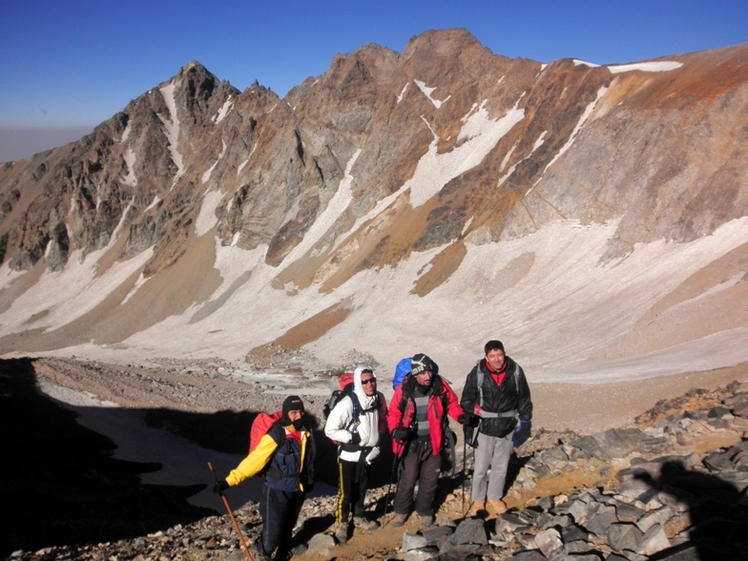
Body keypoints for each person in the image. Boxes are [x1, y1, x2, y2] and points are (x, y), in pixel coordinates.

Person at [214, 395, 315, 561]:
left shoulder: (305, 432)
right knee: (272, 532)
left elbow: (308, 459)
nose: (298, 416)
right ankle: (264, 553)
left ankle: (283, 552)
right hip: (276, 490)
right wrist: (229, 481)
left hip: (297, 489)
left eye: (300, 412)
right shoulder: (276, 435)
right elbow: (255, 461)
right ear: (285, 413)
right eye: (293, 412)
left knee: (288, 524)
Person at [388, 353, 470, 528]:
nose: (428, 376)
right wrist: (395, 431)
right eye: (423, 373)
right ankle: (401, 512)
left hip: (434, 442)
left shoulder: (440, 386)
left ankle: (425, 511)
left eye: (429, 372)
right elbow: (394, 413)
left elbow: (452, 404)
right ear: (415, 374)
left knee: (430, 480)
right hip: (410, 443)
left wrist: (461, 416)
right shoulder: (404, 390)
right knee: (408, 478)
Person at [460, 340, 533, 516]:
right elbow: (466, 400)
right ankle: (478, 499)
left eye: (499, 355)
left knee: (501, 466)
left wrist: (525, 423)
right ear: (486, 357)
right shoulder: (477, 373)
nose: (496, 359)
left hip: (507, 426)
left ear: (504, 354)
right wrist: (469, 425)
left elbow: (524, 398)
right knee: (480, 468)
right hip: (483, 426)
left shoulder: (515, 371)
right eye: (492, 356)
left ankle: (494, 496)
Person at [324, 366, 388, 543]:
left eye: (372, 380)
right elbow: (329, 430)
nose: (370, 384)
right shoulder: (347, 403)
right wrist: (351, 436)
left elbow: (381, 421)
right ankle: (342, 522)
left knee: (362, 488)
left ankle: (359, 516)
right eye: (365, 381)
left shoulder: (378, 399)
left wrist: (378, 444)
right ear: (359, 383)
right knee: (345, 492)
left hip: (368, 456)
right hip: (348, 456)